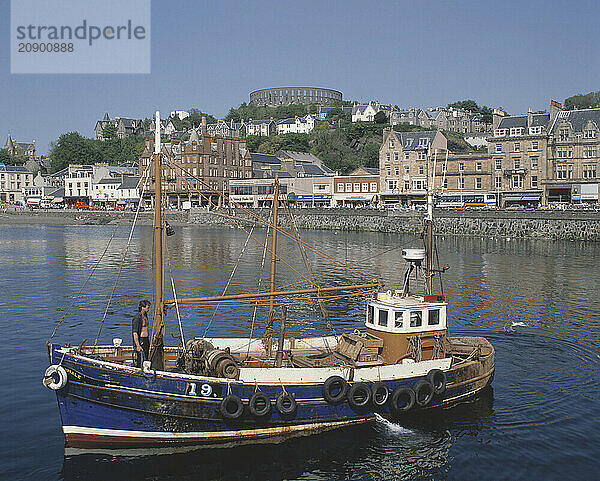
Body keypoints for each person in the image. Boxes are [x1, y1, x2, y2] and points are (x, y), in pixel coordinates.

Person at [132, 300, 151, 367]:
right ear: (143, 307)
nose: (149, 309)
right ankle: (140, 371)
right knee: (141, 358)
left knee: (146, 357)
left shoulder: (145, 316)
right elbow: (135, 332)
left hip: (146, 340)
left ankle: (146, 369)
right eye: (148, 307)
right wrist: (138, 345)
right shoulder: (137, 318)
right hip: (141, 340)